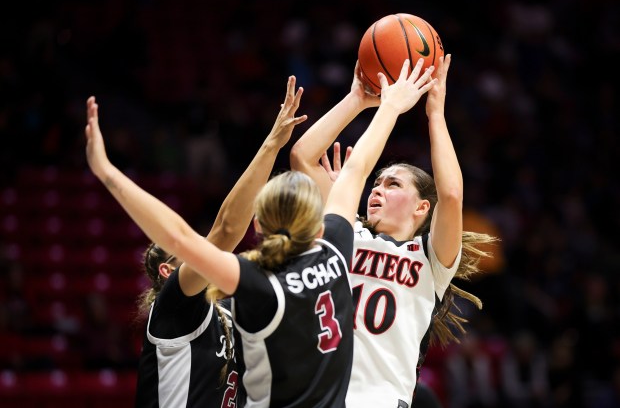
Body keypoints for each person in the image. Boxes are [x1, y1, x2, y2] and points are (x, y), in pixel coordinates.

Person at [85, 59, 435, 407]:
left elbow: (201, 235)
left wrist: (107, 172)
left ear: (258, 226)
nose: (208, 250)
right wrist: (386, 106)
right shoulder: (332, 257)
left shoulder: (258, 288)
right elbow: (353, 174)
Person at [290, 54, 498, 408]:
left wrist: (435, 114)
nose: (376, 189)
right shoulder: (346, 231)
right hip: (318, 397)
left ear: (421, 208)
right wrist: (357, 99)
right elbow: (302, 157)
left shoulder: (432, 262)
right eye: (376, 182)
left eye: (392, 184)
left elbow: (450, 194)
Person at [126, 76, 306, 407]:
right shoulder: (173, 307)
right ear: (168, 272)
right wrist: (272, 144)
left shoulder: (225, 309)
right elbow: (224, 231)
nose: (200, 248)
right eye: (188, 247)